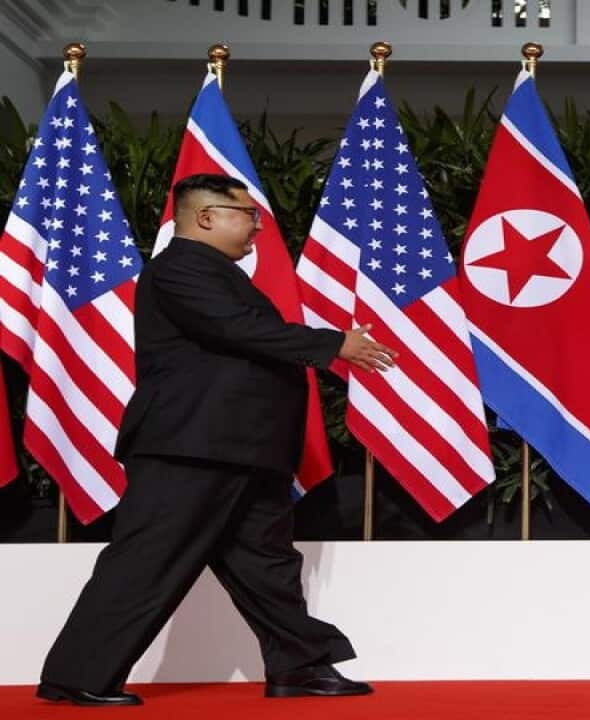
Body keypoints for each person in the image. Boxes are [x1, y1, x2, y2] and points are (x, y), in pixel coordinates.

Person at [37, 173, 396, 706]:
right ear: (204, 217)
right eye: (246, 214)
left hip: (243, 447)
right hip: (192, 446)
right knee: (148, 559)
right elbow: (236, 330)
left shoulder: (217, 273)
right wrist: (331, 344)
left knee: (266, 564)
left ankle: (298, 668)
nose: (256, 226)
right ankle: (76, 676)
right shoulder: (181, 268)